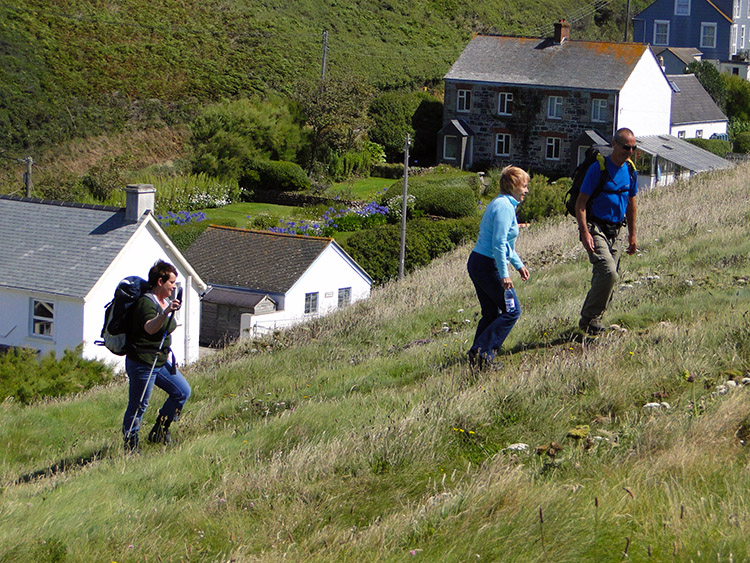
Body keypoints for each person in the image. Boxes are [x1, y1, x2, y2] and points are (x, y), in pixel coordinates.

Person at [575, 128, 638, 335]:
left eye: (633, 148)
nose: (629, 151)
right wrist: (585, 233)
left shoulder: (630, 170)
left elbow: (631, 203)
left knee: (608, 277)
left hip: (616, 230)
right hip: (596, 228)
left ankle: (594, 322)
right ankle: (589, 318)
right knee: (608, 272)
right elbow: (581, 204)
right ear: (614, 144)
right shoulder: (598, 169)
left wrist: (632, 234)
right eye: (625, 147)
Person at [122, 260, 191, 452]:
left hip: (160, 362)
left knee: (182, 392)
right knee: (139, 405)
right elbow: (150, 328)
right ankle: (131, 444)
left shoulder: (165, 302)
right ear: (160, 282)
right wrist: (166, 312)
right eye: (171, 283)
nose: (173, 288)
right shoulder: (146, 302)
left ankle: (160, 429)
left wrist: (169, 309)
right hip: (143, 363)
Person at [467, 165, 531, 369]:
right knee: (512, 311)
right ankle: (484, 354)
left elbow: (506, 246)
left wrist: (519, 265)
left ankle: (477, 355)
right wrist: (505, 275)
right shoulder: (504, 207)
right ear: (513, 186)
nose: (526, 191)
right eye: (524, 186)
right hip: (487, 265)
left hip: (478, 262)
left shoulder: (502, 204)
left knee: (491, 313)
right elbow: (499, 243)